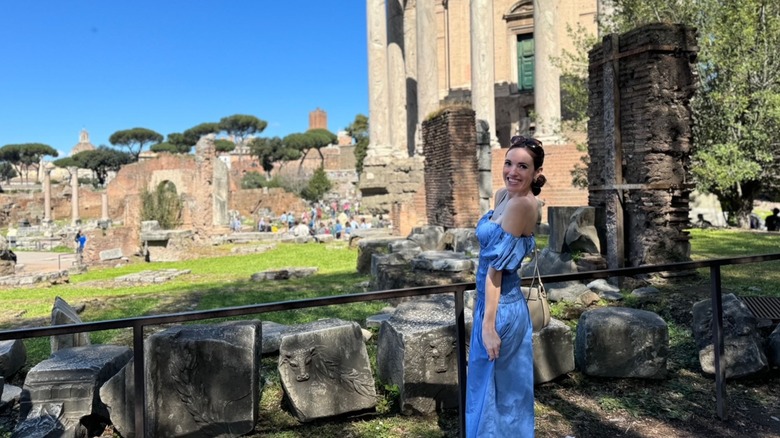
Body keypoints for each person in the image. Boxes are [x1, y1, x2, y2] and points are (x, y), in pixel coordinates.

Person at [466, 135, 546, 436]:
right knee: (486, 389)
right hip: (488, 303)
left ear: (536, 173)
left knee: (501, 398)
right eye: (509, 163)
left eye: (523, 166)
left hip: (502, 311)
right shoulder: (503, 196)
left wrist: (488, 327)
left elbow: (496, 269)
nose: (513, 171)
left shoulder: (523, 206)